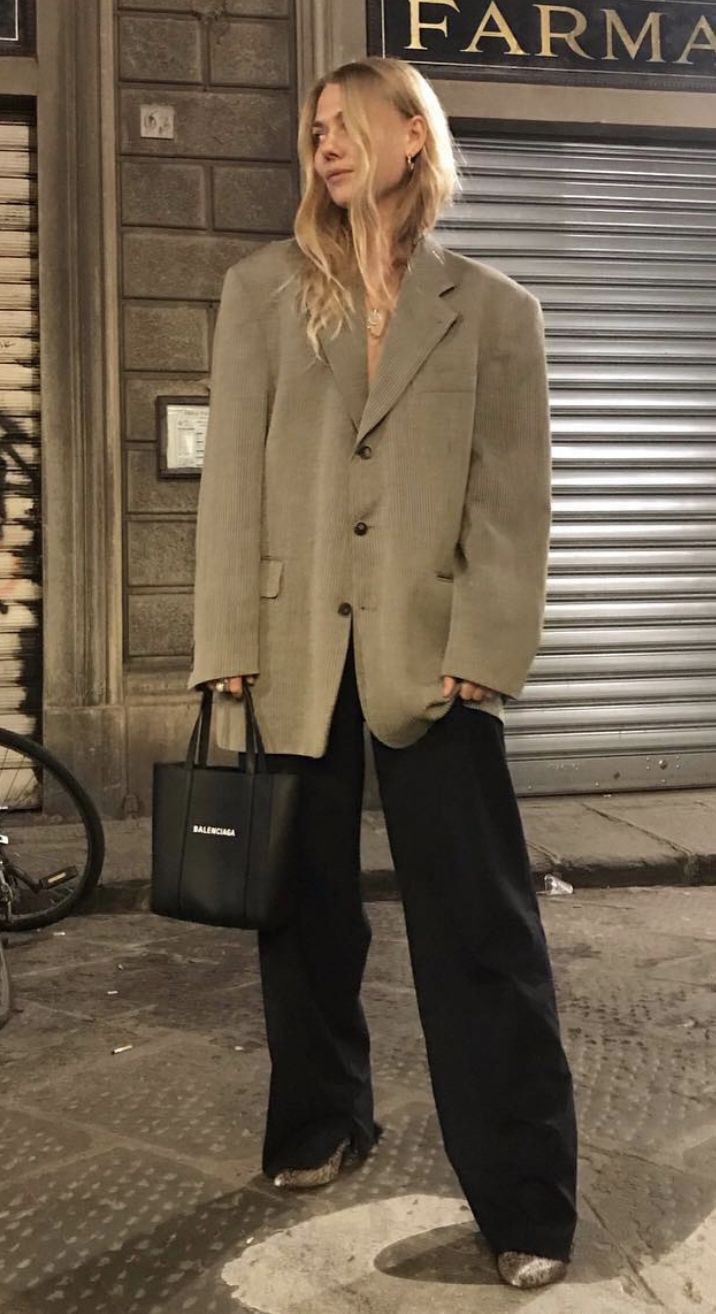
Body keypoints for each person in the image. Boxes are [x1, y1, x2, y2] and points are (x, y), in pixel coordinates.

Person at [189, 55, 578, 1292]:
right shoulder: (261, 292)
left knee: (480, 932)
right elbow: (231, 483)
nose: (322, 143)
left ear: (413, 133)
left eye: (344, 122)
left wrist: (486, 650)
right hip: (290, 649)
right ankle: (320, 1119)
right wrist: (225, 648)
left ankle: (525, 1195)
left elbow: (511, 501)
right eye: (312, 127)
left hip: (433, 659)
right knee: (300, 915)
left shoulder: (493, 309)